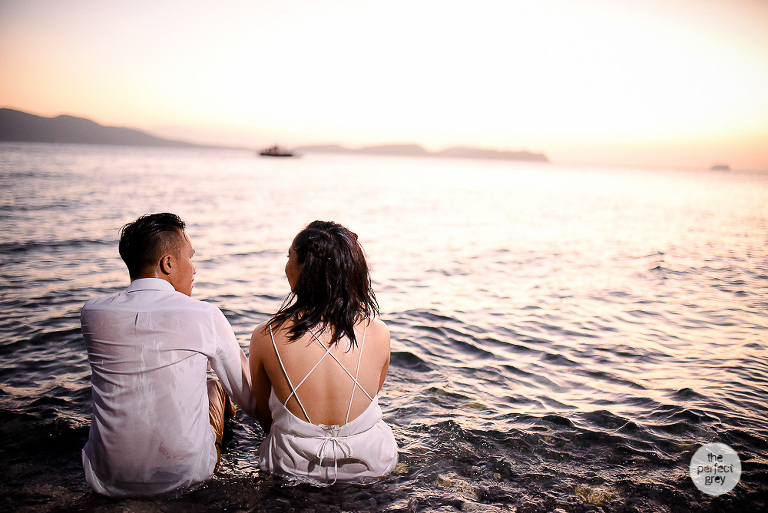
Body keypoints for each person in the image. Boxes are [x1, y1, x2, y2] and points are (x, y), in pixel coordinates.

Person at [80, 213, 257, 497]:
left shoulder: (93, 313)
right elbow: (249, 396)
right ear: (168, 263)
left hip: (106, 478)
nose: (195, 269)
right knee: (218, 387)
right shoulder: (204, 315)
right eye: (190, 257)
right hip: (184, 476)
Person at [249, 220, 398, 484]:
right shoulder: (379, 332)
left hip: (292, 466)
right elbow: (373, 391)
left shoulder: (266, 336)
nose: (286, 267)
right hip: (371, 464)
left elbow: (264, 416)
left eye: (289, 257)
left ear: (305, 270)